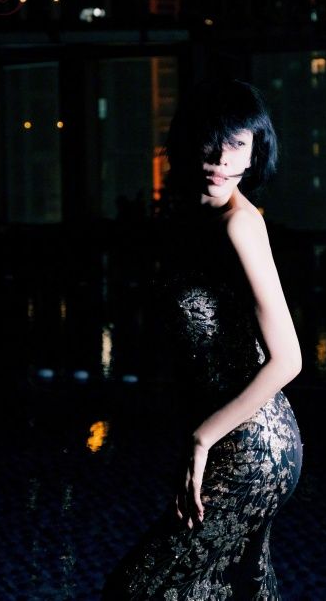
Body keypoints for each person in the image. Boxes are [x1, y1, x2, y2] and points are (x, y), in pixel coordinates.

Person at [102, 77, 303, 600]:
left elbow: (289, 359)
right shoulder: (190, 219)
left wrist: (201, 439)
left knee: (134, 591)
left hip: (251, 445)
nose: (220, 157)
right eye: (211, 140)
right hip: (226, 438)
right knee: (233, 589)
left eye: (237, 143)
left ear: (254, 154)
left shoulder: (240, 225)